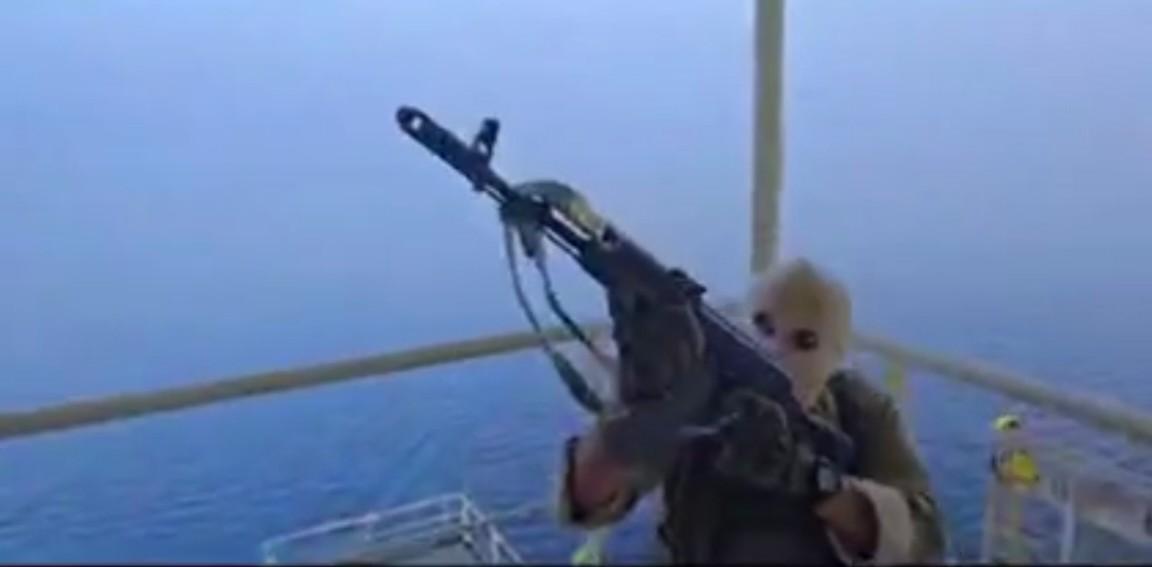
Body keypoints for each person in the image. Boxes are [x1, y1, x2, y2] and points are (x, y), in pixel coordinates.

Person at [556, 258, 946, 564]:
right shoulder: (703, 398)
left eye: (805, 341)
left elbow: (923, 539)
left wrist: (812, 480)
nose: (775, 350)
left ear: (837, 358)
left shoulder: (860, 409)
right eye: (763, 326)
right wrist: (642, 413)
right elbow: (590, 500)